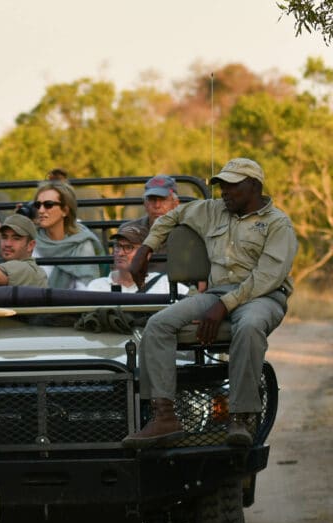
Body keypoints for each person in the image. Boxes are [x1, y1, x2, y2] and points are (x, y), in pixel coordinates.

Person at [122, 158, 298, 448]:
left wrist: (225, 305)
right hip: (217, 294)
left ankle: (240, 416)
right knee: (157, 325)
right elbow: (171, 217)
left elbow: (267, 276)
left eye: (233, 185)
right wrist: (146, 248)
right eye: (222, 185)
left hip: (263, 296)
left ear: (254, 186)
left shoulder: (278, 224)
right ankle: (164, 416)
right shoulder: (212, 210)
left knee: (250, 325)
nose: (225, 192)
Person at [31, 180, 104, 289]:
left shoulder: (82, 245)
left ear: (65, 210)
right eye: (38, 205)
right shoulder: (31, 241)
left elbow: (86, 291)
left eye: (48, 205)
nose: (41, 210)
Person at [86, 224, 185, 295]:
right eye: (117, 246)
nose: (120, 253)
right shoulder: (96, 287)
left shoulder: (164, 284)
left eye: (128, 247)